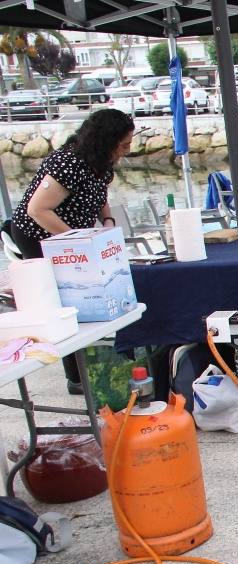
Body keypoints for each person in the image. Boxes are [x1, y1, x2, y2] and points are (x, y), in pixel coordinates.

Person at [9, 109, 135, 395]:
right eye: (124, 144)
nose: (128, 149)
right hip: (38, 233)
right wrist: (76, 242)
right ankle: (76, 377)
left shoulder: (101, 161)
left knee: (95, 291)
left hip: (75, 235)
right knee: (67, 298)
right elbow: (37, 209)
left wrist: (108, 222)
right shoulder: (67, 162)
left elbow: (101, 192)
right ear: (106, 140)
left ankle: (100, 360)